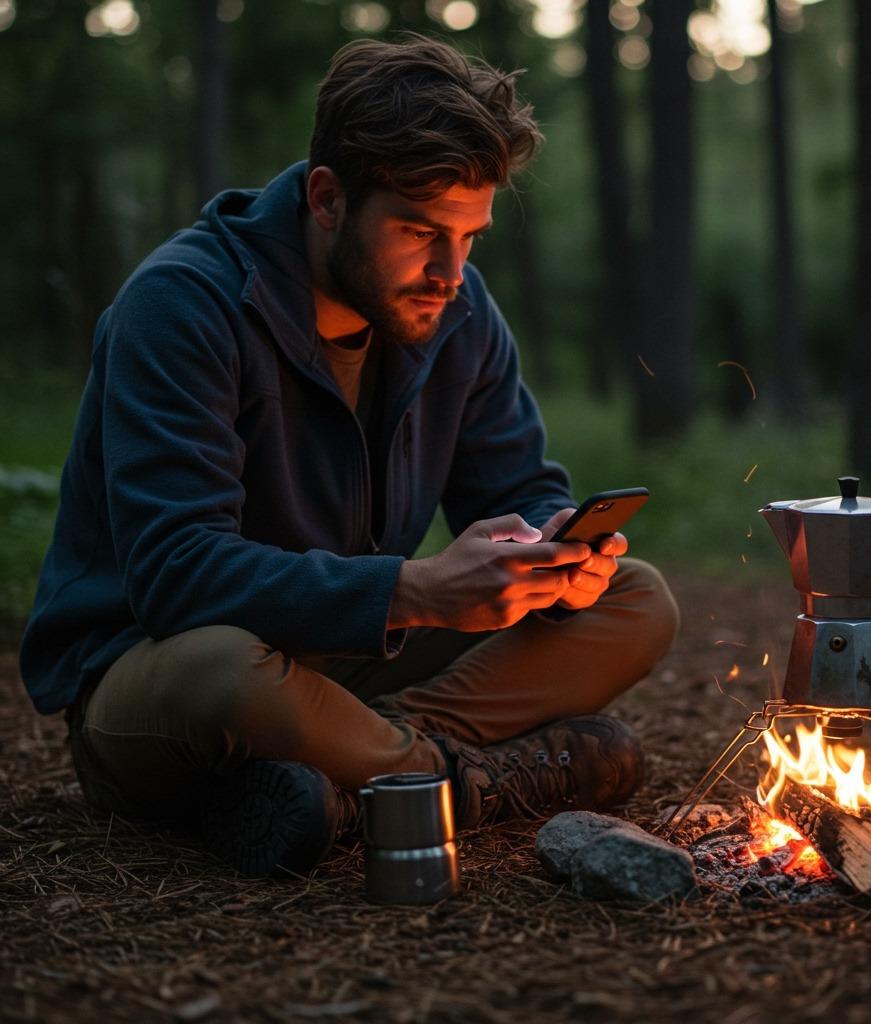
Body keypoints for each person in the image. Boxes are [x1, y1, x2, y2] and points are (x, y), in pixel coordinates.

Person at [19, 35, 679, 878]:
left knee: (636, 597)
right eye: (418, 231)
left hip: (353, 670)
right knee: (228, 672)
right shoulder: (181, 305)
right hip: (165, 673)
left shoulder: (458, 312)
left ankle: (356, 773)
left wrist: (556, 555)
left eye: (469, 236)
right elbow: (177, 576)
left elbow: (517, 489)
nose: (449, 271)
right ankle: (458, 781)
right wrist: (414, 590)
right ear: (328, 198)